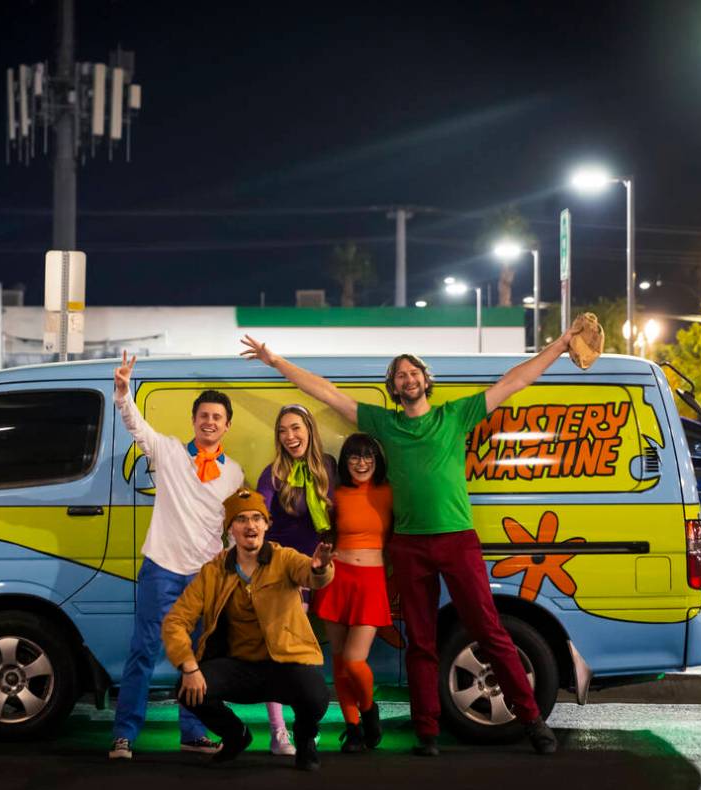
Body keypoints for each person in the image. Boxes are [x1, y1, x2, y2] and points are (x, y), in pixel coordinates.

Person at [240, 319, 586, 757]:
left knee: (489, 629)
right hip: (408, 544)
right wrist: (274, 360)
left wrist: (558, 344)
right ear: (394, 386)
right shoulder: (384, 424)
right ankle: (426, 733)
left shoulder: (455, 414)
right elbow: (325, 392)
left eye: (413, 372)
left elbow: (514, 381)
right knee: (421, 640)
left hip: (457, 538)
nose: (407, 378)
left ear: (426, 380)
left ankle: (532, 720)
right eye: (399, 374)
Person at [108, 351, 245, 761]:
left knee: (198, 658)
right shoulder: (167, 451)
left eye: (217, 417)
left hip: (206, 576)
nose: (209, 421)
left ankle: (193, 732)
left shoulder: (234, 472)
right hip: (161, 568)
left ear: (227, 425)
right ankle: (124, 735)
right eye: (203, 415)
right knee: (143, 651)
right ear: (194, 419)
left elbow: (236, 525)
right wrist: (121, 392)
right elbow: (135, 425)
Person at [162, 488, 334, 771]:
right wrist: (189, 665)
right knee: (185, 688)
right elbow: (175, 621)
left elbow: (312, 574)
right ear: (231, 528)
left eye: (256, 518)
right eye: (241, 519)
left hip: (283, 666)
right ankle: (236, 736)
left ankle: (305, 741)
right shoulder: (213, 571)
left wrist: (319, 568)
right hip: (239, 668)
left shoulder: (284, 558)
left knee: (316, 694)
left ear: (266, 524)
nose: (250, 525)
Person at [255, 403, 337, 756]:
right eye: (283, 431)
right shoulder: (272, 474)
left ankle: (308, 724)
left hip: (326, 571)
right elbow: (259, 519)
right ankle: (280, 732)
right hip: (287, 574)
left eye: (295, 428)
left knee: (318, 654)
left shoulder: (328, 468)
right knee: (284, 655)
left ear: (309, 429)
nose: (290, 437)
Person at [309, 432, 392, 753]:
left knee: (356, 662)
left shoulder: (387, 493)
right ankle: (353, 727)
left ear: (377, 460)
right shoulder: (337, 494)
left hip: (371, 582)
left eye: (368, 456)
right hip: (336, 580)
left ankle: (370, 713)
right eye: (354, 457)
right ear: (345, 462)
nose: (361, 463)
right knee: (341, 663)